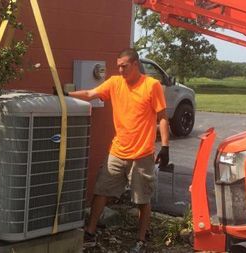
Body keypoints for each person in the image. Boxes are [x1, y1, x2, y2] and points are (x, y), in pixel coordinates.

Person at [65, 48, 169, 253]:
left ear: (136, 64)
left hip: (142, 154)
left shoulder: (151, 85)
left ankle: (140, 239)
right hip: (118, 151)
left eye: (125, 66)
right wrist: (64, 94)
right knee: (101, 191)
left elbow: (162, 117)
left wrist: (165, 146)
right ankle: (90, 231)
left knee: (141, 199)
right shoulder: (114, 82)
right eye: (119, 66)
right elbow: (90, 94)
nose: (120, 70)